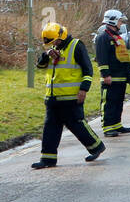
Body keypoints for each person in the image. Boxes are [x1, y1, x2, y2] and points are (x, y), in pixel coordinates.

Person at [32, 22, 105, 169]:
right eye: (52, 43)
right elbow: (40, 66)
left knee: (77, 125)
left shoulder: (76, 46)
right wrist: (46, 55)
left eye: (56, 41)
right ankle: (48, 159)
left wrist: (84, 89)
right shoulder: (53, 49)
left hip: (71, 98)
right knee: (50, 128)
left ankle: (97, 147)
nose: (55, 44)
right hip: (53, 98)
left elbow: (88, 70)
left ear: (62, 36)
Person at [93, 9, 130, 137]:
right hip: (110, 78)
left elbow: (124, 57)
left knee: (118, 102)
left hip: (121, 77)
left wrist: (129, 74)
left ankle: (116, 124)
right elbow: (102, 57)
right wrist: (105, 74)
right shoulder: (103, 37)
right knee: (109, 103)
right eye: (120, 21)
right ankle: (108, 127)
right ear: (113, 20)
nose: (121, 23)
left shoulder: (117, 37)